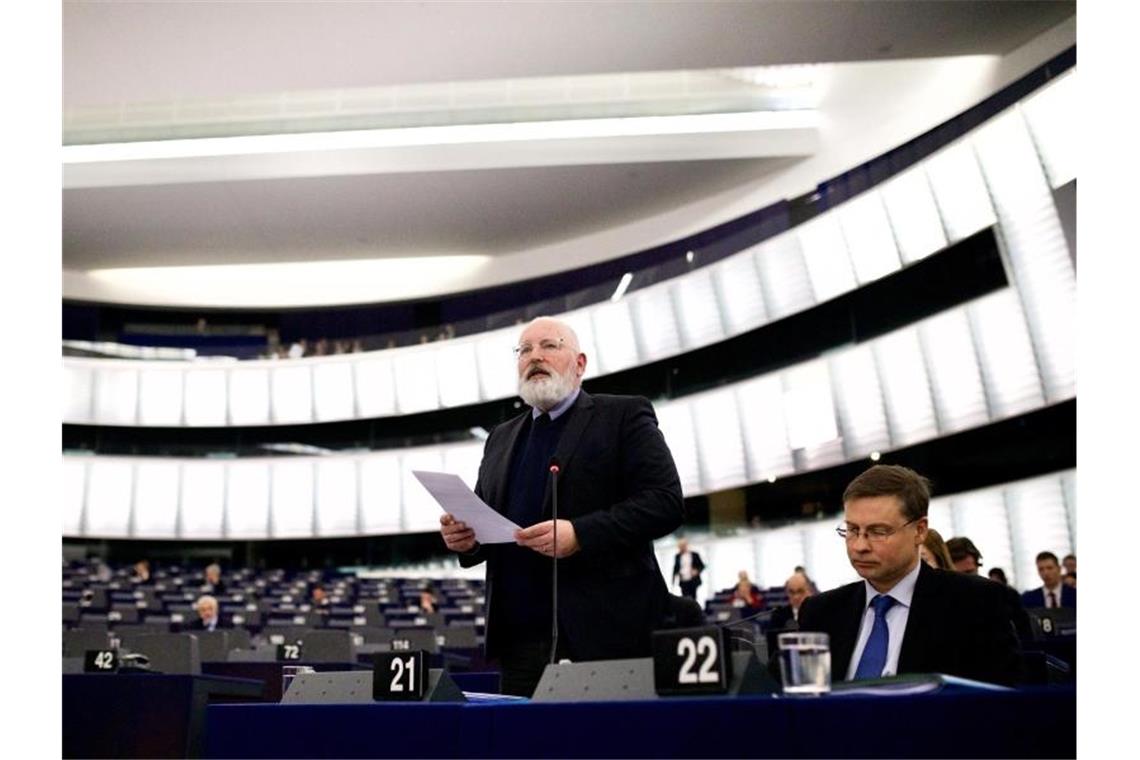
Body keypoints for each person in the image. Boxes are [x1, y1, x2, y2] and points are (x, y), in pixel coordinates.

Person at [439, 316, 683, 697]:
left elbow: (665, 501)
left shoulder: (622, 415)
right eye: (524, 350)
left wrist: (580, 534)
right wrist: (466, 539)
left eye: (549, 346)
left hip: (604, 636)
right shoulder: (501, 438)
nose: (535, 357)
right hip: (519, 642)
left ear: (580, 363)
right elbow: (488, 522)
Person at [795, 465, 1021, 686]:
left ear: (920, 531)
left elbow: (1002, 706)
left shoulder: (975, 603)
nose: (859, 546)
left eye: (878, 532)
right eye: (852, 530)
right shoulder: (821, 613)